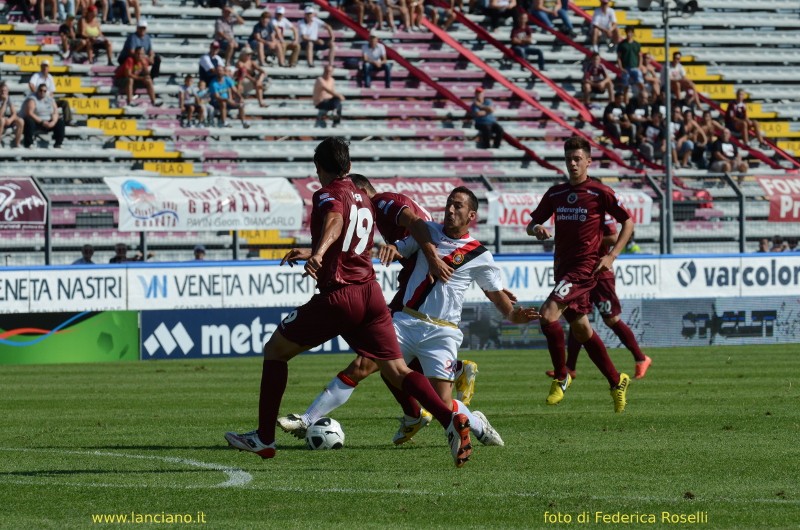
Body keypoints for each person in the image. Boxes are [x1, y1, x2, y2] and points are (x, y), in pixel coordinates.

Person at [224, 137, 475, 468]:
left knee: (275, 351)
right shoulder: (365, 198)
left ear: (320, 169)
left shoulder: (330, 192)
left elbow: (336, 221)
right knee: (398, 369)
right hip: (370, 294)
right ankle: (449, 420)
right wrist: (315, 250)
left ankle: (264, 439)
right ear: (350, 165)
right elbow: (352, 241)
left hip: (341, 296)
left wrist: (318, 251)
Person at [279, 185, 540, 448]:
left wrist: (516, 316)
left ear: (471, 216)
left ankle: (477, 423)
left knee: (443, 404)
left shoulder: (480, 255)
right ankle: (307, 418)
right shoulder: (427, 231)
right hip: (405, 321)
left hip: (443, 332)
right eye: (449, 203)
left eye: (457, 206)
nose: (450, 209)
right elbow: (394, 249)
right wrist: (392, 249)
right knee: (361, 366)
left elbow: (500, 301)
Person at [526, 135, 633, 413]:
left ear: (588, 161)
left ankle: (562, 376)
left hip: (585, 268)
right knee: (582, 329)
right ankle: (616, 379)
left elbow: (628, 222)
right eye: (569, 159)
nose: (573, 164)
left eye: (578, 159)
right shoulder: (556, 193)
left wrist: (612, 255)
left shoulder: (600, 192)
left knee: (548, 314)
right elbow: (532, 222)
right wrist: (536, 229)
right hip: (562, 267)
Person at [545, 216, 651, 382]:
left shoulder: (601, 212)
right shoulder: (577, 211)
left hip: (600, 273)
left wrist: (585, 237)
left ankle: (641, 358)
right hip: (581, 273)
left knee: (611, 319)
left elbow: (613, 237)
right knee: (577, 316)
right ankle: (570, 367)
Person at [21, 83, 65, 149]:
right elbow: (30, 113)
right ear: (37, 90)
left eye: (44, 91)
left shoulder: (50, 99)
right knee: (29, 121)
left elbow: (55, 112)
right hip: (37, 121)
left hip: (48, 121)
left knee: (60, 122)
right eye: (40, 90)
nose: (42, 92)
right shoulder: (32, 99)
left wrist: (53, 122)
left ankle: (58, 143)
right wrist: (42, 122)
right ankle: (29, 143)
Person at [209, 64, 249, 128]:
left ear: (223, 71)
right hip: (216, 102)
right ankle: (224, 122)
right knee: (223, 103)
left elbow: (235, 90)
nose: (219, 72)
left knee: (241, 104)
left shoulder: (227, 79)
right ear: (216, 72)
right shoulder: (213, 83)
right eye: (218, 70)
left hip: (228, 100)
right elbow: (217, 97)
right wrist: (227, 100)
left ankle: (244, 122)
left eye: (221, 70)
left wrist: (240, 97)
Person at [616, 26, 643, 99]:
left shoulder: (637, 44)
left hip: (635, 67)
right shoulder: (622, 44)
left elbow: (640, 55)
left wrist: (639, 66)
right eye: (628, 32)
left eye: (630, 32)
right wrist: (621, 67)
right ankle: (626, 103)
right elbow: (619, 57)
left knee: (640, 83)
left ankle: (642, 99)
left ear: (633, 33)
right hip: (625, 68)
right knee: (626, 87)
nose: (629, 34)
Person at [0, 82, 24, 148]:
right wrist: (4, 102)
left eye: (5, 91)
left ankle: (17, 143)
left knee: (21, 121)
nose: (3, 92)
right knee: (2, 120)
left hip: (7, 119)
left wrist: (10, 120)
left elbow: (14, 113)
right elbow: (0, 115)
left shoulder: (9, 99)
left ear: (7, 91)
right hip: (1, 119)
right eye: (2, 90)